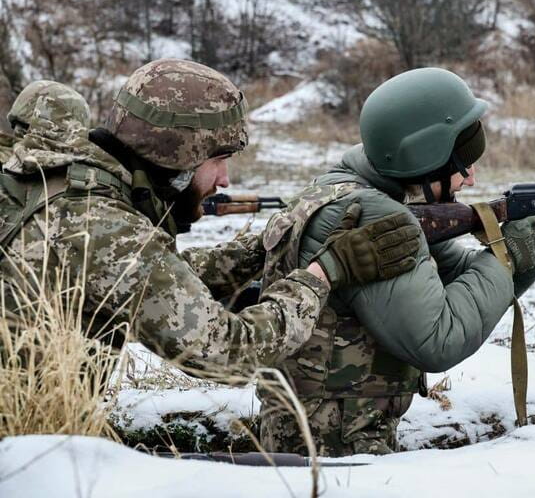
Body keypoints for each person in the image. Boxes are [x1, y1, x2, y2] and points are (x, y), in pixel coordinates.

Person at [0, 59, 420, 375]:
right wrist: (322, 274)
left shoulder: (64, 182)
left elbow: (161, 278)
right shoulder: (107, 229)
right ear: (177, 155)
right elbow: (228, 351)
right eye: (218, 159)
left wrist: (260, 246)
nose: (224, 179)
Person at [258, 67, 535, 456]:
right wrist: (504, 258)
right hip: (334, 447)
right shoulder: (375, 216)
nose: (469, 179)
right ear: (425, 156)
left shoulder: (344, 189)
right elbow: (438, 339)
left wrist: (533, 248)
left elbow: (463, 276)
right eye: (464, 161)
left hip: (323, 429)